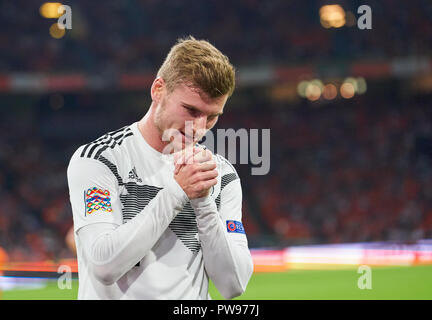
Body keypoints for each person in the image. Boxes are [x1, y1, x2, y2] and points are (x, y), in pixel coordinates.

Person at [67, 36, 253, 300]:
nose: (199, 128)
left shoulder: (221, 175)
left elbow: (232, 286)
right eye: (190, 109)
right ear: (158, 89)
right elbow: (104, 266)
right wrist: (177, 191)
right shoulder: (100, 159)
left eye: (212, 116)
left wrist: (203, 203)